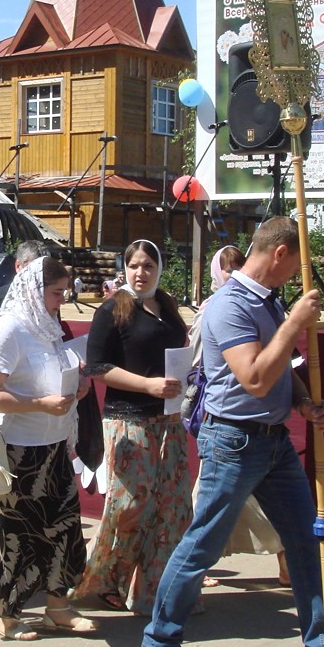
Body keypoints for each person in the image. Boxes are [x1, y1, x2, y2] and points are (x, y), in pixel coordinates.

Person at [140, 217, 324, 647]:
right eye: (298, 263)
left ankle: (323, 643)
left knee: (306, 541)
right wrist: (293, 324)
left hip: (273, 441)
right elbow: (253, 377)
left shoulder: (269, 302)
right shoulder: (229, 305)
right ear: (280, 254)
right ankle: (160, 639)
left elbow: (280, 367)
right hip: (232, 441)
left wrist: (304, 403)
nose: (299, 273)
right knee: (203, 544)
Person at [0, 256, 96, 640]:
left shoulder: (48, 328)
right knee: (12, 533)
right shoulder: (8, 330)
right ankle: (1, 611)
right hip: (17, 449)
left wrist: (77, 387)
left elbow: (52, 375)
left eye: (64, 292)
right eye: (56, 293)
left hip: (53, 445)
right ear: (32, 290)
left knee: (63, 527)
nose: (62, 301)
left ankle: (58, 608)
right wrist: (39, 404)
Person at [73, 240, 189, 614]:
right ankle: (106, 581)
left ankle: (156, 590)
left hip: (168, 420)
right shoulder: (112, 310)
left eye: (148, 266)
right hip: (128, 420)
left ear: (159, 269)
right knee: (129, 507)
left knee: (172, 507)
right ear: (125, 269)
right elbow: (97, 367)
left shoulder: (168, 307)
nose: (141, 273)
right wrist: (147, 385)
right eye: (134, 265)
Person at [188, 245, 289, 588]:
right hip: (225, 418)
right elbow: (197, 359)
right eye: (227, 268)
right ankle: (191, 573)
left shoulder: (264, 303)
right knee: (210, 506)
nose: (232, 273)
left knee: (268, 502)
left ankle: (287, 561)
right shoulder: (217, 308)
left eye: (237, 266)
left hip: (260, 422)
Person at [0, 240, 49, 335]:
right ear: (18, 266)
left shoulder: (49, 297)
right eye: (34, 270)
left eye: (44, 270)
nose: (39, 275)